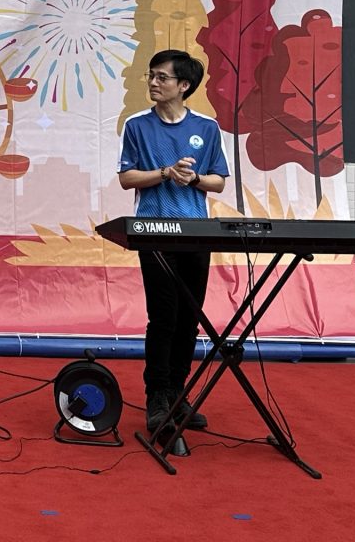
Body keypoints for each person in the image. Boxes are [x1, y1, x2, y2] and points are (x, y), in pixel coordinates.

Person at [117, 48, 229, 433]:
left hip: (196, 232)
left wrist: (193, 179)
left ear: (184, 85)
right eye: (151, 76)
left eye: (161, 77)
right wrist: (165, 172)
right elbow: (127, 178)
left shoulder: (207, 128)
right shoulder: (137, 126)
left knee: (189, 319)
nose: (153, 82)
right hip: (153, 231)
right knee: (163, 317)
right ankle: (157, 397)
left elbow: (218, 181)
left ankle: (179, 395)